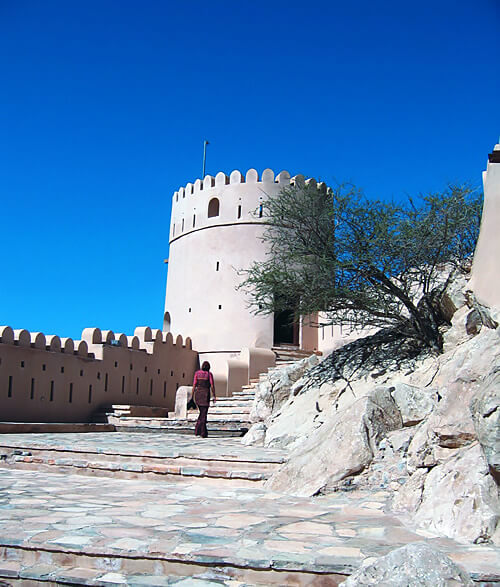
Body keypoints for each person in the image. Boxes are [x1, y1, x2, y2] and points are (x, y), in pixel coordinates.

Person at [192, 361, 216, 438]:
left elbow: (194, 385)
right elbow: (212, 385)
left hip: (198, 395)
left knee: (201, 413)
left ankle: (198, 431)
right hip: (205, 395)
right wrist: (214, 395)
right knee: (203, 414)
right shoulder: (209, 374)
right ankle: (202, 432)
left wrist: (192, 396)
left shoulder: (197, 373)